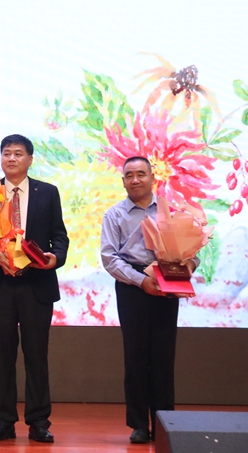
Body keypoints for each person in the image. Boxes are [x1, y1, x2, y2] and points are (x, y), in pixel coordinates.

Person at [0, 134, 69, 444]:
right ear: (0, 158)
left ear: (30, 159)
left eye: (18, 153)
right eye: (6, 153)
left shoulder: (47, 192)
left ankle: (39, 422)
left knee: (37, 356)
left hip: (36, 284)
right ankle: (3, 422)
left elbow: (59, 235)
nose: (11, 158)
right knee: (2, 357)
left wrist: (56, 258)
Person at [100, 156, 197, 444]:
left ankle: (165, 422)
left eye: (141, 174)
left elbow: (193, 251)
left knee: (164, 357)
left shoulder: (172, 211)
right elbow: (109, 258)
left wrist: (189, 265)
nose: (135, 180)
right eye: (129, 175)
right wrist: (141, 280)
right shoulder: (114, 215)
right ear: (123, 181)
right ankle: (139, 424)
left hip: (168, 285)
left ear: (153, 178)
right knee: (136, 357)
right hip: (132, 288)